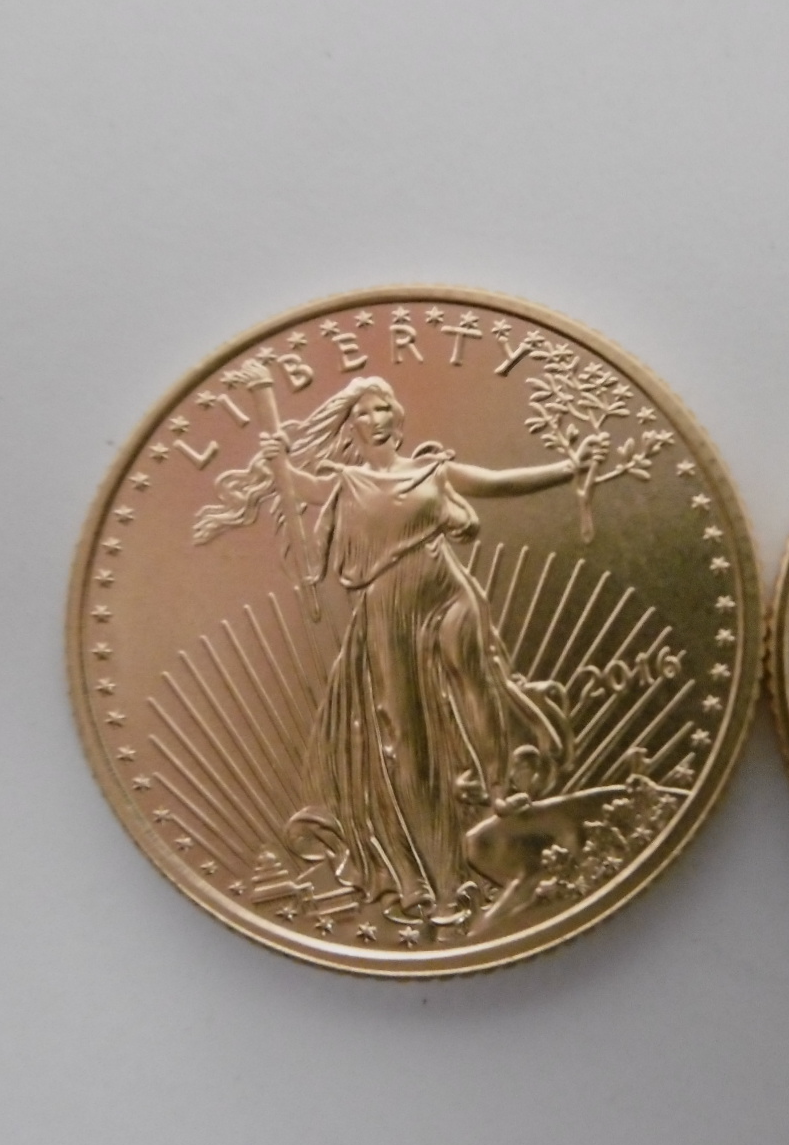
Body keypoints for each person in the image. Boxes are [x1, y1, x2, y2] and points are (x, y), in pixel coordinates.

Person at [193, 376, 604, 919]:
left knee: (475, 680)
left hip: (447, 588)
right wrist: (277, 459)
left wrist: (568, 469)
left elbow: (499, 483)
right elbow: (297, 485)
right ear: (351, 426)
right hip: (387, 606)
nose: (379, 417)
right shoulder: (345, 481)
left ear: (398, 416)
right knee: (403, 731)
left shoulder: (433, 470)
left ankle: (500, 788)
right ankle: (430, 861)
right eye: (366, 411)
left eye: (385, 406)